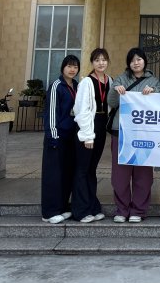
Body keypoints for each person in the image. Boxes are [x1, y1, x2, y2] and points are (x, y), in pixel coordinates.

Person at [106, 47, 160, 223]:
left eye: (139, 59)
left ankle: (138, 210)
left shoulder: (153, 81)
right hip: (121, 132)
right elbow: (111, 102)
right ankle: (122, 210)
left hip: (144, 133)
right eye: (132, 60)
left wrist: (154, 93)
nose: (135, 63)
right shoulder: (121, 78)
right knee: (120, 175)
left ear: (145, 61)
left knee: (143, 175)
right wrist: (115, 90)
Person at [71, 48, 111, 223]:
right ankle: (80, 211)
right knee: (82, 169)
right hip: (88, 128)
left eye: (103, 60)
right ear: (92, 62)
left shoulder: (109, 80)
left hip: (101, 127)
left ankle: (92, 207)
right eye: (97, 60)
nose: (101, 63)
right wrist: (87, 135)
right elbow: (81, 110)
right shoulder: (87, 82)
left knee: (91, 168)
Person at [41, 55, 80, 224]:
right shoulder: (56, 86)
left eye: (75, 67)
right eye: (69, 66)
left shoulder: (76, 86)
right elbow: (51, 113)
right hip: (57, 137)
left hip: (71, 137)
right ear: (63, 67)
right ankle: (49, 212)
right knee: (53, 175)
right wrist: (53, 137)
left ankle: (62, 207)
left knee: (66, 174)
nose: (72, 70)